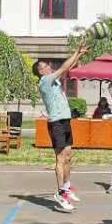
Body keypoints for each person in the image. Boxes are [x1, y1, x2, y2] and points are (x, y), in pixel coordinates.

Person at [33, 39, 89, 211]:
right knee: (60, 158)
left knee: (68, 155)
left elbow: (67, 68)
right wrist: (76, 52)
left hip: (65, 120)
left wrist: (79, 55)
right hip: (56, 123)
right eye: (45, 66)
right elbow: (64, 68)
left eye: (48, 65)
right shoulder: (45, 81)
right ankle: (60, 193)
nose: (49, 67)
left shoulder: (53, 81)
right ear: (41, 71)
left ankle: (67, 186)